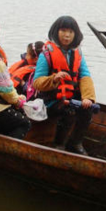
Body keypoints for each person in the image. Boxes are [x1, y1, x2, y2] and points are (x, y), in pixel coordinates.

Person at [32, 16, 95, 155]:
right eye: (63, 30)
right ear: (56, 31)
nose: (67, 35)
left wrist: (88, 98)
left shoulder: (78, 52)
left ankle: (75, 143)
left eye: (71, 32)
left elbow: (85, 75)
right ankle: (58, 145)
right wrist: (54, 79)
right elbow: (37, 82)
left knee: (87, 110)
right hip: (51, 99)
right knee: (69, 112)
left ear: (76, 34)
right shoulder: (47, 53)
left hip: (70, 96)